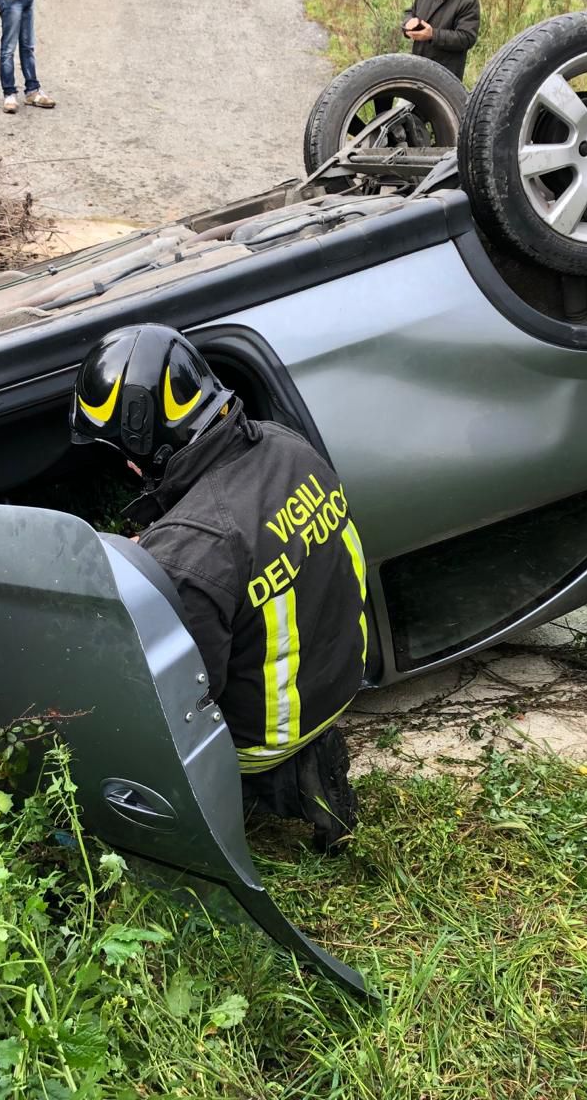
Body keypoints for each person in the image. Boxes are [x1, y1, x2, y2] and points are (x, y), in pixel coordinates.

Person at [69, 324, 370, 853]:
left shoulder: (192, 551)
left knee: (108, 721)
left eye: (118, 447)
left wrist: (144, 583)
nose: (123, 463)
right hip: (341, 673)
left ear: (147, 443)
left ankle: (267, 789)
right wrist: (171, 544)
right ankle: (307, 762)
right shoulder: (284, 445)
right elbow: (245, 545)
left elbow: (184, 694)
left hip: (267, 732)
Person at [402, 0, 481, 84]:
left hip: (444, 80)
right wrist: (408, 23)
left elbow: (467, 38)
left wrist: (432, 35)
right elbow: (411, 12)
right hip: (417, 71)